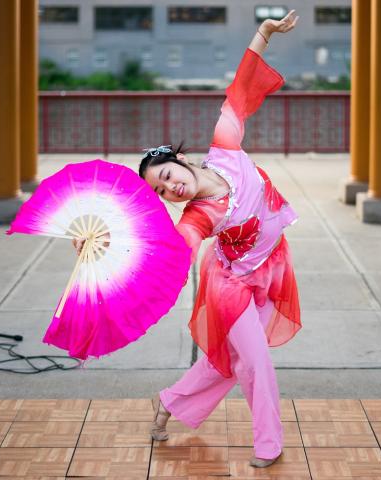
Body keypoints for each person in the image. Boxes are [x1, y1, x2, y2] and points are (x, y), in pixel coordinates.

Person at [75, 9, 301, 469]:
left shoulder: (226, 146)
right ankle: (268, 445)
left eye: (167, 175)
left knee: (226, 363)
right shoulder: (197, 218)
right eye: (161, 191)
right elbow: (166, 252)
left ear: (179, 159)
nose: (171, 188)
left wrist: (262, 32)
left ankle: (168, 403)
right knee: (254, 361)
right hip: (229, 283)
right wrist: (107, 246)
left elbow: (239, 91)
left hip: (271, 264)